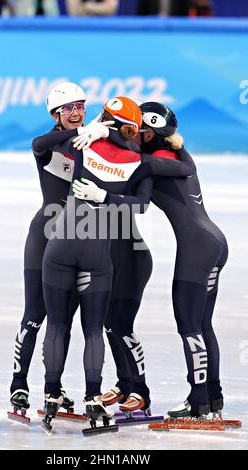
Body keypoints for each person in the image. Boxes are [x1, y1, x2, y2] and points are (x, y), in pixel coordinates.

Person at [40, 96, 196, 429]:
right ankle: (124, 386)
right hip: (104, 253)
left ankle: (139, 389)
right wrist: (94, 131)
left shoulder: (138, 158)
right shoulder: (122, 154)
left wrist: (95, 134)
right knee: (107, 325)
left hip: (131, 259)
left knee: (118, 326)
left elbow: (181, 169)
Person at [81, 102, 228, 419]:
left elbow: (131, 156)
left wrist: (103, 130)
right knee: (202, 324)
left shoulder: (153, 161)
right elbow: (186, 165)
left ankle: (198, 399)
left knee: (189, 326)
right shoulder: (174, 152)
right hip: (214, 242)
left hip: (196, 249)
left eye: (141, 132)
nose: (135, 135)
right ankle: (212, 396)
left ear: (150, 134)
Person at [9, 82, 109, 415]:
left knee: (65, 320)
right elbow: (38, 142)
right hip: (46, 235)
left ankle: (55, 387)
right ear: (55, 114)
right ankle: (19, 383)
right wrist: (83, 130)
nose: (76, 112)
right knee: (36, 316)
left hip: (81, 236)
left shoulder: (92, 144)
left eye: (80, 106)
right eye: (68, 108)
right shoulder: (50, 144)